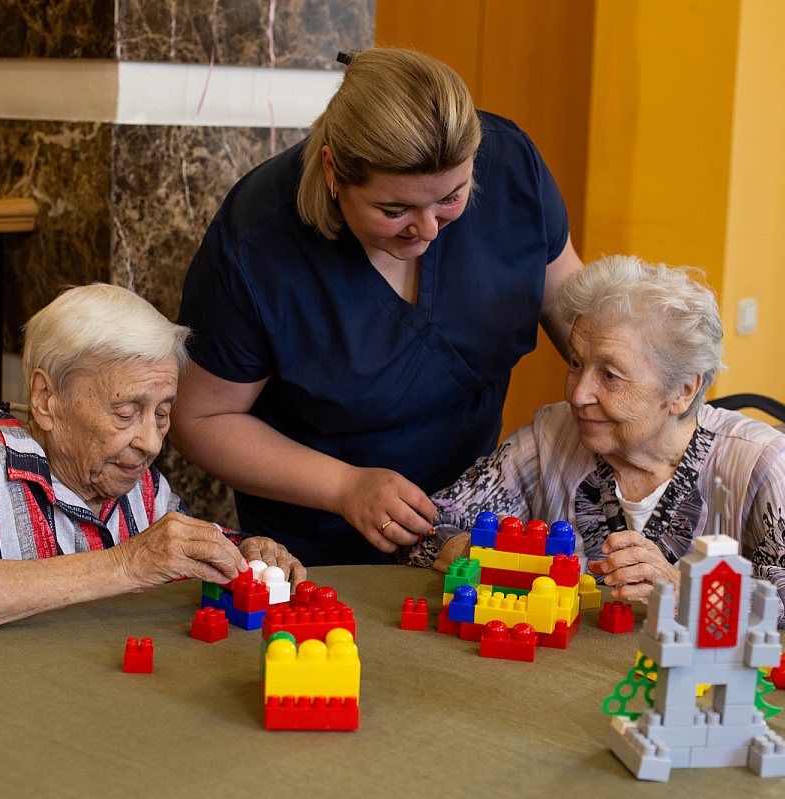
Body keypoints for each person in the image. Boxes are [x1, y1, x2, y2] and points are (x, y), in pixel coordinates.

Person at [171, 48, 584, 566]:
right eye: (394, 210)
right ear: (333, 172)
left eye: (451, 199)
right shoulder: (259, 242)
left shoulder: (513, 168)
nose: (428, 229)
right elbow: (201, 417)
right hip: (322, 543)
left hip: (471, 520)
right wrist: (344, 487)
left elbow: (578, 319)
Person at [404, 255, 785, 643]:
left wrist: (688, 592)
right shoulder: (551, 438)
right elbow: (428, 525)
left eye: (610, 375)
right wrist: (484, 557)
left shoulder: (755, 460)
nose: (578, 393)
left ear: (682, 390)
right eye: (577, 363)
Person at [0, 284, 304, 637]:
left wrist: (248, 551)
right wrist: (126, 564)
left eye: (162, 413)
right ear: (46, 399)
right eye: (125, 413)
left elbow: (177, 550)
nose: (151, 443)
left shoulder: (135, 476)